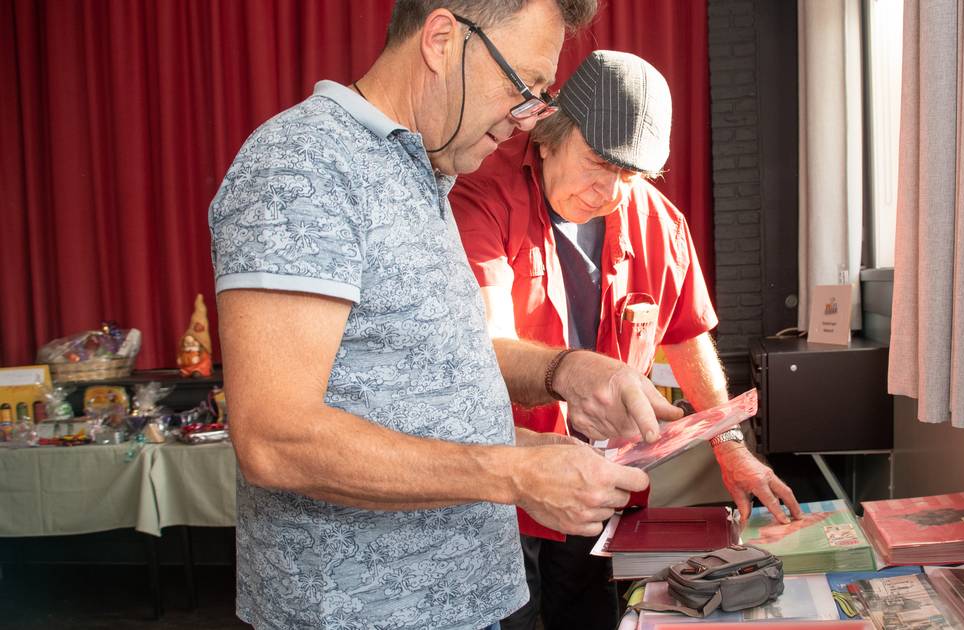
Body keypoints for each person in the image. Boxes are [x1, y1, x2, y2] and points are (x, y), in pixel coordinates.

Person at [208, 3, 687, 629]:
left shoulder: (420, 173)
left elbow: (416, 395)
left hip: (464, 602)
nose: (527, 118)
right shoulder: (304, 165)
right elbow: (276, 440)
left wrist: (557, 395)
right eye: (523, 86)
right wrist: (514, 472)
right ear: (440, 40)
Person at [450, 50, 803, 630]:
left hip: (599, 484)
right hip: (502, 483)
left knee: (591, 619)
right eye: (597, 163)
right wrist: (572, 373)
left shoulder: (658, 221)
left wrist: (730, 446)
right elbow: (484, 343)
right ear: (548, 134)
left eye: (631, 175)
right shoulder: (480, 198)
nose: (609, 192)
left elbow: (687, 337)